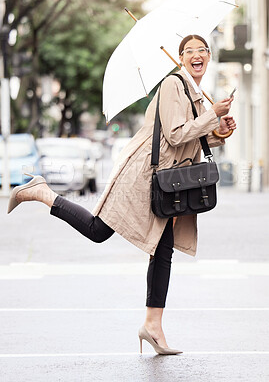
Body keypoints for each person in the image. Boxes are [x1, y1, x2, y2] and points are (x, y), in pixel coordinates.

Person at [7, 34, 236, 355]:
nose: (196, 55)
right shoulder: (173, 84)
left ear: (208, 57)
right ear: (181, 58)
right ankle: (42, 192)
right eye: (189, 51)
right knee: (99, 231)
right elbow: (173, 134)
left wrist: (218, 132)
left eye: (202, 50)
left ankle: (153, 326)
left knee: (163, 248)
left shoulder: (196, 94)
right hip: (143, 173)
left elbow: (189, 140)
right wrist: (212, 115)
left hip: (168, 178)